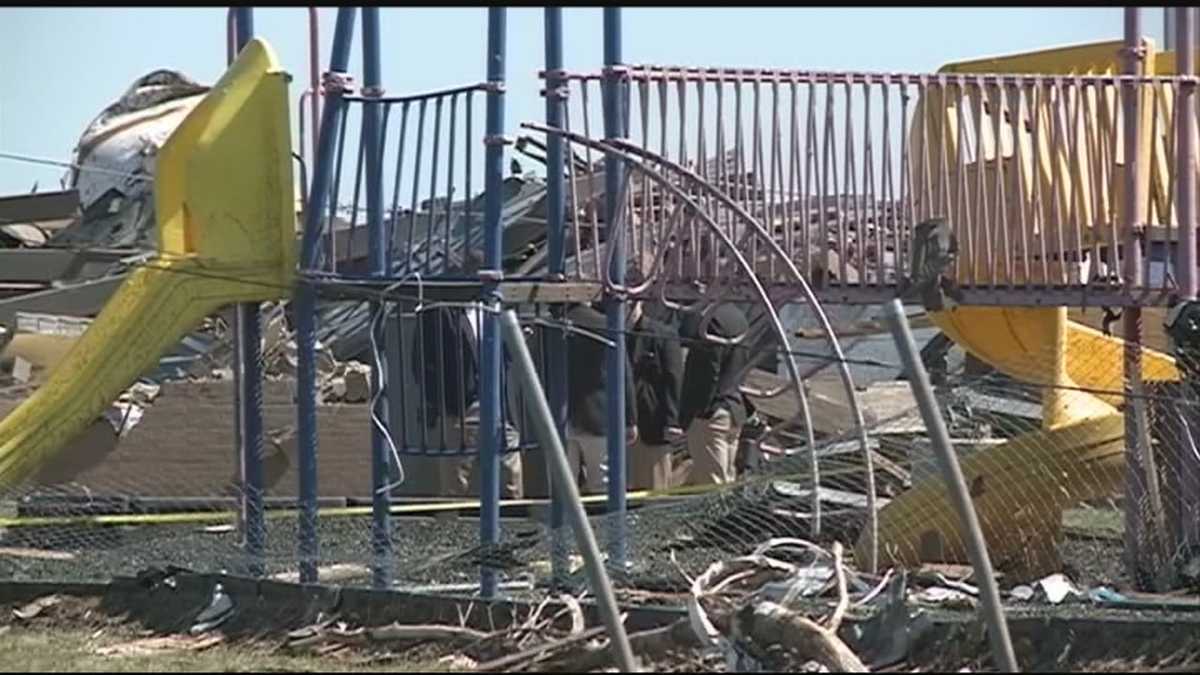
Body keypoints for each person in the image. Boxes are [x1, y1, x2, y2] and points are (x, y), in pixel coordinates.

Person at [412, 256, 522, 503]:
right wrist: (443, 402)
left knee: (511, 477)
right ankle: (452, 535)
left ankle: (516, 533)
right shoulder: (438, 312)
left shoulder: (494, 309)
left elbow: (507, 356)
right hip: (460, 407)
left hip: (500, 405)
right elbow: (422, 363)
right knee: (456, 482)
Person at [565, 302, 638, 494]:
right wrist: (630, 419)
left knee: (563, 488)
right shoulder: (605, 323)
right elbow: (624, 375)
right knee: (603, 488)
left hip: (558, 414)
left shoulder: (545, 326)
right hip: (598, 415)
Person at [678, 303, 751, 485]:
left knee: (713, 485)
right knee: (726, 478)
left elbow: (707, 374)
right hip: (733, 410)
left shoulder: (712, 323)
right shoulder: (737, 317)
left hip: (712, 415)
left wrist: (696, 413)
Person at [626, 301, 684, 490]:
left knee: (653, 490)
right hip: (620, 427)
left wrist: (672, 422)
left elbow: (673, 378)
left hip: (651, 426)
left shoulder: (662, 335)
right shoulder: (610, 330)